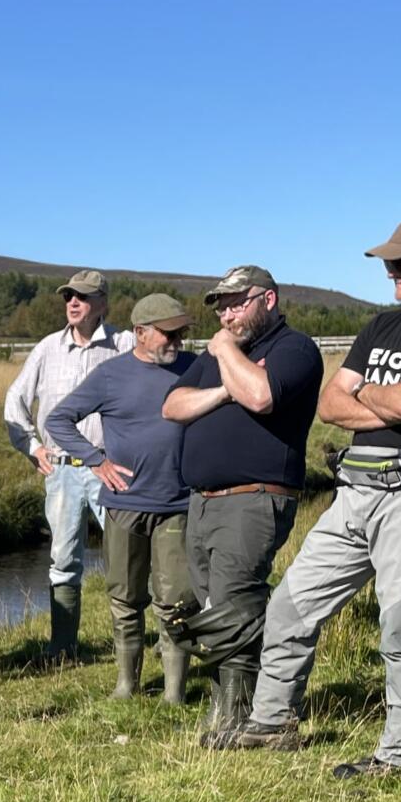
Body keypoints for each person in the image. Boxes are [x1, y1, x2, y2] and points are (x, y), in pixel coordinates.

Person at [230, 215, 401, 776]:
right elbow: (332, 406)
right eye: (389, 262)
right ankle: (272, 722)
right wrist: (395, 399)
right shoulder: (381, 325)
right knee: (291, 605)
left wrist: (380, 397)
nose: (392, 272)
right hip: (355, 491)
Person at [160, 265, 324, 746]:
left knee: (235, 602)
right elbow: (173, 406)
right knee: (214, 604)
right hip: (204, 503)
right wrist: (224, 388)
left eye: (237, 303)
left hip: (254, 498)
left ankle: (237, 719)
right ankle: (231, 708)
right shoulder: (219, 359)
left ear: (268, 300)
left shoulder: (294, 349)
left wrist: (226, 351)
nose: (227, 314)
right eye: (221, 306)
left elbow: (260, 396)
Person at [45, 293, 197, 702]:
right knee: (125, 599)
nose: (177, 341)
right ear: (141, 333)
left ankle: (174, 694)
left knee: (177, 602)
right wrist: (96, 462)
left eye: (181, 332)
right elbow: (57, 420)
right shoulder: (110, 375)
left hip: (179, 507)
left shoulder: (196, 368)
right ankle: (126, 686)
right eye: (169, 333)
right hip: (125, 505)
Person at [2, 269, 121, 660]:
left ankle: (132, 645)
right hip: (63, 471)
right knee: (63, 558)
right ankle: (63, 648)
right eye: (68, 295)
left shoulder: (124, 345)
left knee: (128, 555)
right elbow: (15, 401)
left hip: (111, 468)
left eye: (83, 297)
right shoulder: (47, 349)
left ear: (102, 304)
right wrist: (33, 447)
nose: (72, 302)